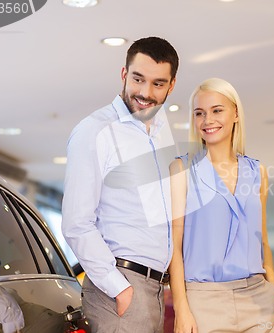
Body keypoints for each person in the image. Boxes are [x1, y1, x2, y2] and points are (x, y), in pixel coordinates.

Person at [62, 36, 179, 333]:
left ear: (171, 85)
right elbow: (77, 223)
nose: (145, 92)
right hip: (120, 288)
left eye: (158, 84)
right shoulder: (94, 131)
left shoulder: (162, 131)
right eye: (138, 79)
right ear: (124, 74)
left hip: (155, 290)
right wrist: (119, 289)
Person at [169, 78, 274, 333]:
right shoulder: (182, 169)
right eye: (200, 113)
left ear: (236, 114)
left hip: (257, 298)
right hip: (204, 302)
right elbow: (174, 245)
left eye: (217, 110)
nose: (208, 120)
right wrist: (181, 307)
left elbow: (262, 239)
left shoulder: (257, 171)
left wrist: (272, 288)